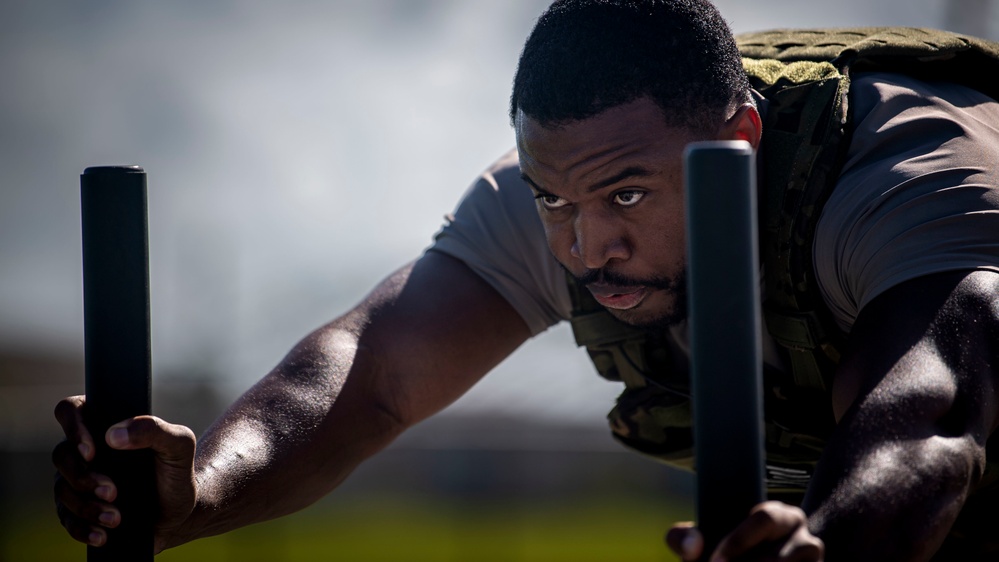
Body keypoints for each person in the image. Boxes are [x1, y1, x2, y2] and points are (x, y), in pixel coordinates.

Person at [53, 1, 999, 560]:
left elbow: (925, 429)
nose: (588, 246)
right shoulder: (563, 189)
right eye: (554, 199)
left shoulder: (912, 182)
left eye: (625, 195)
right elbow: (371, 376)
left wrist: (818, 551)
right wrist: (200, 492)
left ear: (737, 142)